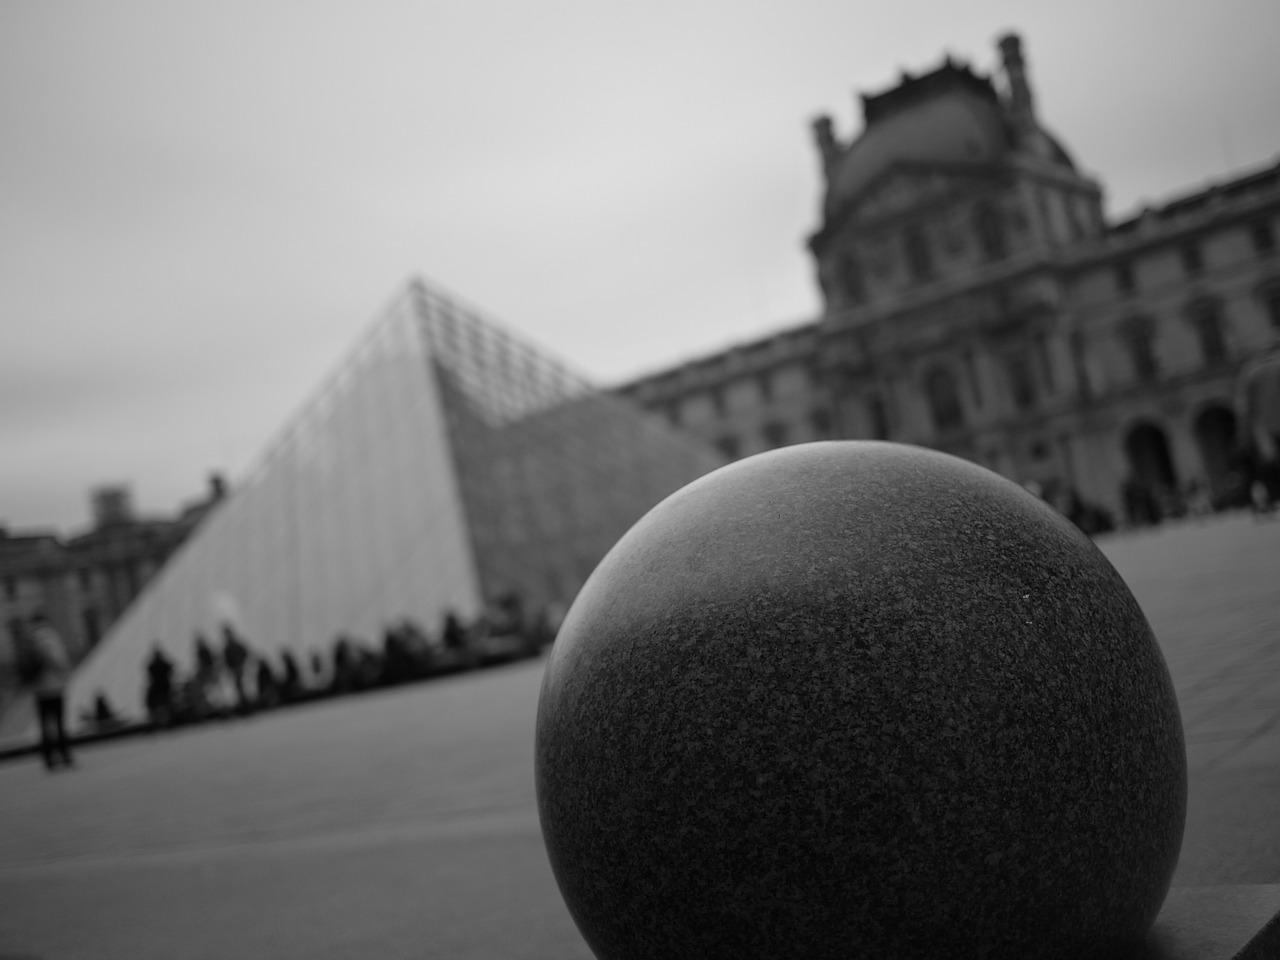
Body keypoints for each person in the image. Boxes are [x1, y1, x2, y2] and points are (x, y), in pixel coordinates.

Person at [27, 613, 73, 770]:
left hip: (38, 688)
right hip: (53, 686)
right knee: (59, 722)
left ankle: (48, 758)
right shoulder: (49, 637)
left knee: (45, 724)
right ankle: (65, 755)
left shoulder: (31, 638)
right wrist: (64, 669)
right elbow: (55, 658)